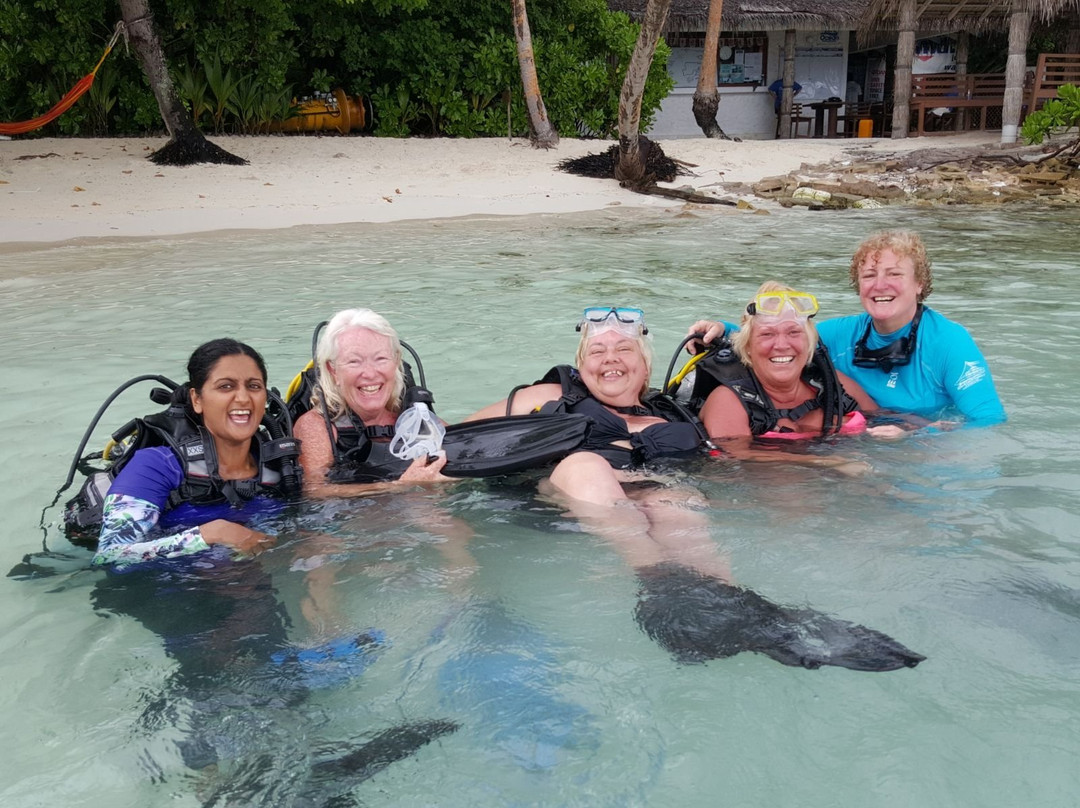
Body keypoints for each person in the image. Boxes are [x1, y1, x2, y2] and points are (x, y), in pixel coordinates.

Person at [688, 231, 1006, 427]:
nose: (880, 285)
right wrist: (723, 328)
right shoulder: (842, 335)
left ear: (919, 284)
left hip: (924, 445)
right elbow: (782, 340)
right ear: (858, 286)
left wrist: (925, 436)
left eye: (894, 274)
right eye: (869, 276)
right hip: (869, 436)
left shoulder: (949, 342)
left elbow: (989, 421)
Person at [465, 306, 704, 509]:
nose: (610, 358)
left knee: (677, 504)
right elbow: (458, 438)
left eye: (624, 349)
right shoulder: (551, 396)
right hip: (561, 502)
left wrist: (726, 329)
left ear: (645, 367)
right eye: (597, 351)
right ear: (582, 368)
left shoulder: (672, 415)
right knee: (587, 467)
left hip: (654, 496)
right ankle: (645, 560)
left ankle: (699, 564)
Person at [92, 339, 297, 568]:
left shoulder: (278, 465)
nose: (243, 398)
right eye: (226, 386)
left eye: (254, 386)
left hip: (251, 591)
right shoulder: (157, 465)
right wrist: (212, 534)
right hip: (170, 596)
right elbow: (110, 556)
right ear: (197, 399)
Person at [293, 308, 453, 494]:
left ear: (396, 361)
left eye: (381, 359)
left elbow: (466, 448)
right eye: (354, 361)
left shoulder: (416, 419)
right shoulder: (317, 427)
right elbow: (314, 492)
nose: (370, 373)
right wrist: (402, 486)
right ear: (333, 370)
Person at [694, 282, 878, 440]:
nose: (782, 345)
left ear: (809, 341)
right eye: (767, 334)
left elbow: (884, 420)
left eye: (793, 332)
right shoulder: (728, 401)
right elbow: (736, 463)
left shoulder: (833, 384)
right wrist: (827, 463)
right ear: (748, 346)